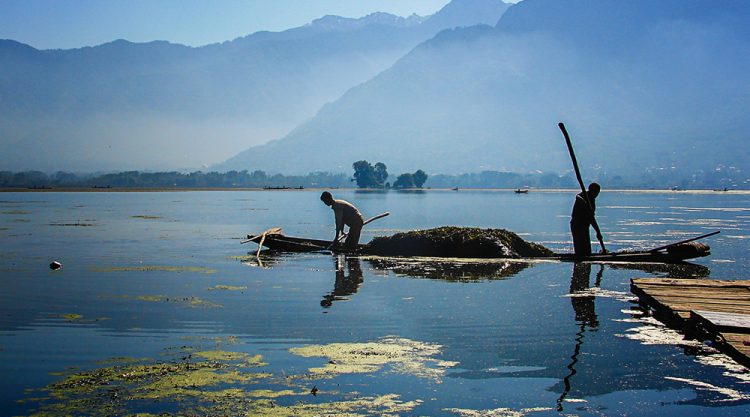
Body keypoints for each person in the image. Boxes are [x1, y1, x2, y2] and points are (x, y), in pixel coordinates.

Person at [570, 182, 603, 256]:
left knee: (587, 249)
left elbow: (591, 218)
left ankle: (585, 258)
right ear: (591, 191)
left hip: (584, 226)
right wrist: (584, 202)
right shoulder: (583, 196)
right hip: (577, 225)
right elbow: (578, 197)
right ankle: (579, 262)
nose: (597, 194)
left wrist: (598, 232)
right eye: (596, 192)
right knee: (580, 249)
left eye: (598, 193)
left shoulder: (592, 200)